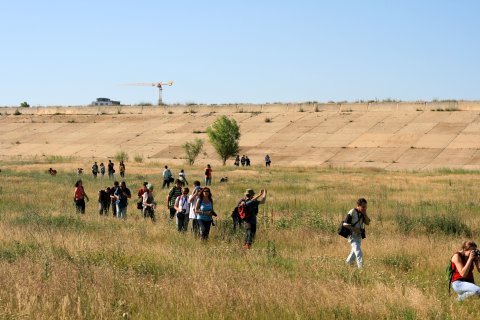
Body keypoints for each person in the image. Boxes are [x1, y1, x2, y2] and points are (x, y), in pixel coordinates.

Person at [343, 198, 371, 269]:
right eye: (363, 207)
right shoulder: (352, 211)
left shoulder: (363, 213)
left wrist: (365, 214)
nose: (364, 208)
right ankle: (361, 269)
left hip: (359, 236)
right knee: (359, 253)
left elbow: (367, 223)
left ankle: (346, 265)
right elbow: (345, 224)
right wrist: (355, 229)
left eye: (366, 207)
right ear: (358, 205)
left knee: (353, 254)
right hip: (352, 236)